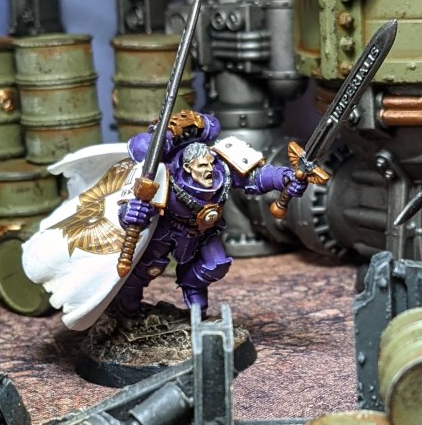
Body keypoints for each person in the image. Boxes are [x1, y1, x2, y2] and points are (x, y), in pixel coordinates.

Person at [115, 110, 307, 316]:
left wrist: (285, 177)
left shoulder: (222, 167)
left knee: (215, 265)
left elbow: (256, 176)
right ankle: (126, 310)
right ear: (188, 167)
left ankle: (195, 298)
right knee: (145, 270)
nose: (210, 169)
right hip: (166, 230)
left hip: (203, 232)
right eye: (202, 165)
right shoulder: (163, 174)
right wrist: (132, 213)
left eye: (210, 163)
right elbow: (130, 205)